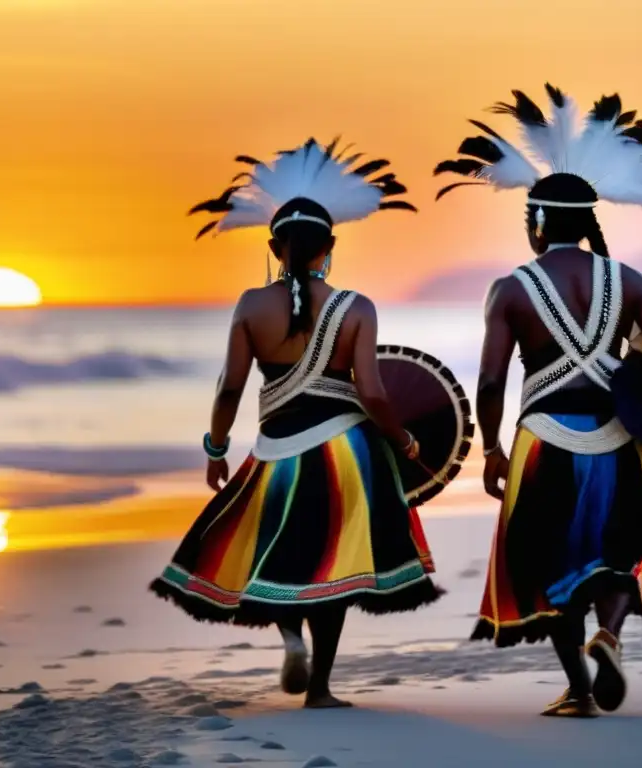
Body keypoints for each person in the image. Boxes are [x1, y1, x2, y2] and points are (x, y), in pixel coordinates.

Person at [434, 84, 642, 717]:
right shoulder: (630, 282)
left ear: (537, 223)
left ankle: (580, 691)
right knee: (616, 553)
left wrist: (494, 449)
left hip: (544, 441)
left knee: (544, 564)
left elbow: (493, 381)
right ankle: (608, 635)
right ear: (586, 223)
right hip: (620, 440)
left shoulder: (510, 290)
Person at [150, 138, 443, 709]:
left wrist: (215, 447)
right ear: (329, 247)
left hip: (274, 450)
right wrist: (404, 440)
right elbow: (374, 392)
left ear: (273, 245)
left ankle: (288, 636)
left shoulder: (250, 306)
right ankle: (321, 689)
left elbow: (231, 387)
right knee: (333, 563)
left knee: (276, 551)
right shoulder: (357, 307)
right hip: (345, 452)